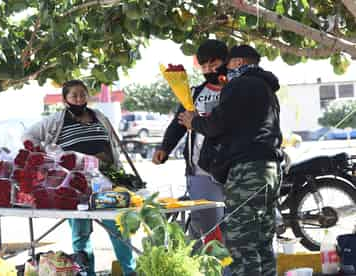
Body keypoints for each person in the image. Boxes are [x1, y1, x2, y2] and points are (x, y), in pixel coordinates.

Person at [178, 45, 283, 275]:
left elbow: (217, 124)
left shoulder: (239, 85)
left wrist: (194, 121)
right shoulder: (265, 88)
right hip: (271, 169)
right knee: (262, 241)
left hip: (248, 171)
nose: (224, 69)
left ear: (237, 63)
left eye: (227, 64)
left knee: (240, 244)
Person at [24, 80, 136, 276]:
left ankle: (130, 272)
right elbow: (28, 135)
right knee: (80, 234)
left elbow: (112, 146)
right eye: (74, 95)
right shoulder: (57, 120)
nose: (79, 99)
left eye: (82, 94)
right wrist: (50, 154)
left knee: (118, 228)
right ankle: (85, 273)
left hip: (106, 183)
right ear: (65, 99)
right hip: (75, 186)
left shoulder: (99, 116)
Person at [152, 39, 228, 244]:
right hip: (200, 172)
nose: (209, 70)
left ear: (225, 61)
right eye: (204, 66)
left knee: (233, 228)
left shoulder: (236, 91)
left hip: (234, 170)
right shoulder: (193, 93)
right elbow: (178, 125)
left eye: (213, 64)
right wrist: (165, 148)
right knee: (208, 230)